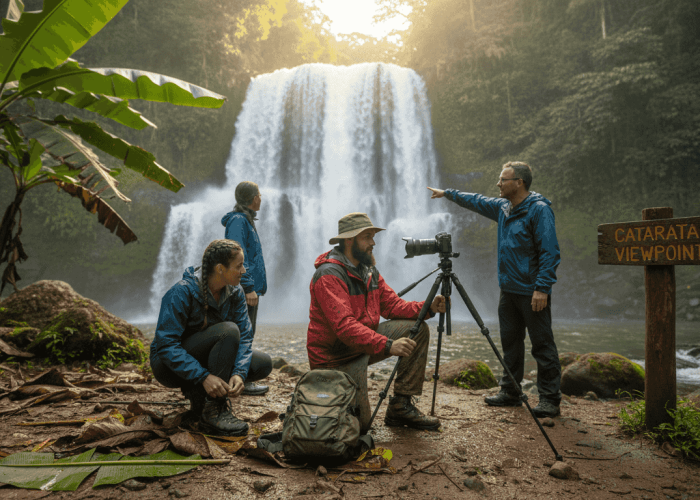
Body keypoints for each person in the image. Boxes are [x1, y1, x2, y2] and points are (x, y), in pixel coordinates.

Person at [427, 161, 562, 418]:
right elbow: (477, 200)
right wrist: (447, 193)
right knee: (510, 342)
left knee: (542, 344)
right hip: (508, 289)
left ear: (519, 183)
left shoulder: (539, 211)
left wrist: (542, 288)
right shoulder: (503, 208)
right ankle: (510, 391)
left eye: (503, 179)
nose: (498, 184)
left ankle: (550, 399)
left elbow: (550, 252)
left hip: (532, 290)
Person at [307, 212, 447, 433]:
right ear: (349, 240)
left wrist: (428, 306)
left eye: (373, 236)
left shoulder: (368, 270)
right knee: (360, 428)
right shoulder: (329, 275)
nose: (373, 243)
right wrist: (388, 345)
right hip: (335, 357)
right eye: (367, 237)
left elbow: (392, 306)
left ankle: (400, 406)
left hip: (362, 346)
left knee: (416, 328)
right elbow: (345, 327)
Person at [150, 239, 273, 436]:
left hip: (205, 356)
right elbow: (166, 345)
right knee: (229, 331)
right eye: (239, 266)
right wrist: (203, 376)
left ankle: (201, 400)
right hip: (166, 366)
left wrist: (239, 373)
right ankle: (213, 411)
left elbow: (246, 337)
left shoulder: (235, 293)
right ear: (220, 269)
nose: (243, 271)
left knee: (263, 363)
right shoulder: (182, 291)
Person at [221, 181, 269, 396]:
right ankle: (243, 380)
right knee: (244, 333)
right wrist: (248, 286)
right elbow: (237, 255)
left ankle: (239, 378)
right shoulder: (239, 221)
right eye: (259, 194)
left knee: (247, 332)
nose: (261, 198)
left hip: (249, 288)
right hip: (244, 289)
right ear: (253, 198)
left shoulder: (245, 220)